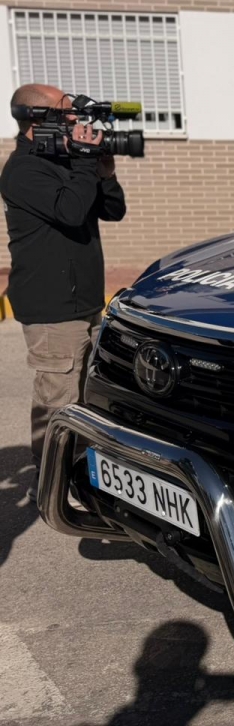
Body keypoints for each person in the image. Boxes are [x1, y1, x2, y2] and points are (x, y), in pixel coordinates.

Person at [0, 84, 126, 479]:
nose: (77, 119)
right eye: (67, 112)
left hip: (84, 300)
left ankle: (83, 471)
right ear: (38, 120)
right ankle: (52, 481)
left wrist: (104, 171)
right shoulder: (23, 170)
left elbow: (113, 211)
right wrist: (86, 163)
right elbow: (70, 212)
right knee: (59, 399)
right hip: (53, 306)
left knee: (86, 394)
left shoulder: (68, 161)